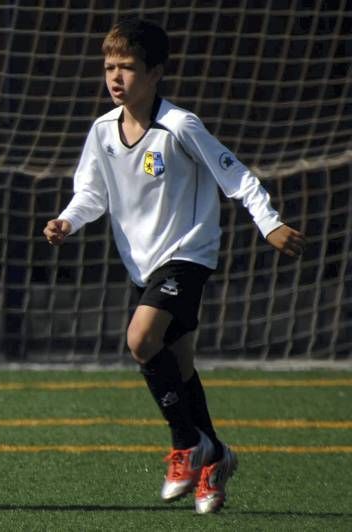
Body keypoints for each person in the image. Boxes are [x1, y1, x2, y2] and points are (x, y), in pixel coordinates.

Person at [43, 18, 305, 514]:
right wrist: (67, 222)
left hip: (187, 254)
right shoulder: (102, 130)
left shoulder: (180, 125)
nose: (116, 77)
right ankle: (215, 460)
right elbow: (91, 194)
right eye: (109, 68)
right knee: (179, 366)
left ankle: (185, 445)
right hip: (143, 265)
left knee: (141, 340)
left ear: (156, 72)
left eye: (128, 68)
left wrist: (269, 223)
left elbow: (238, 177)